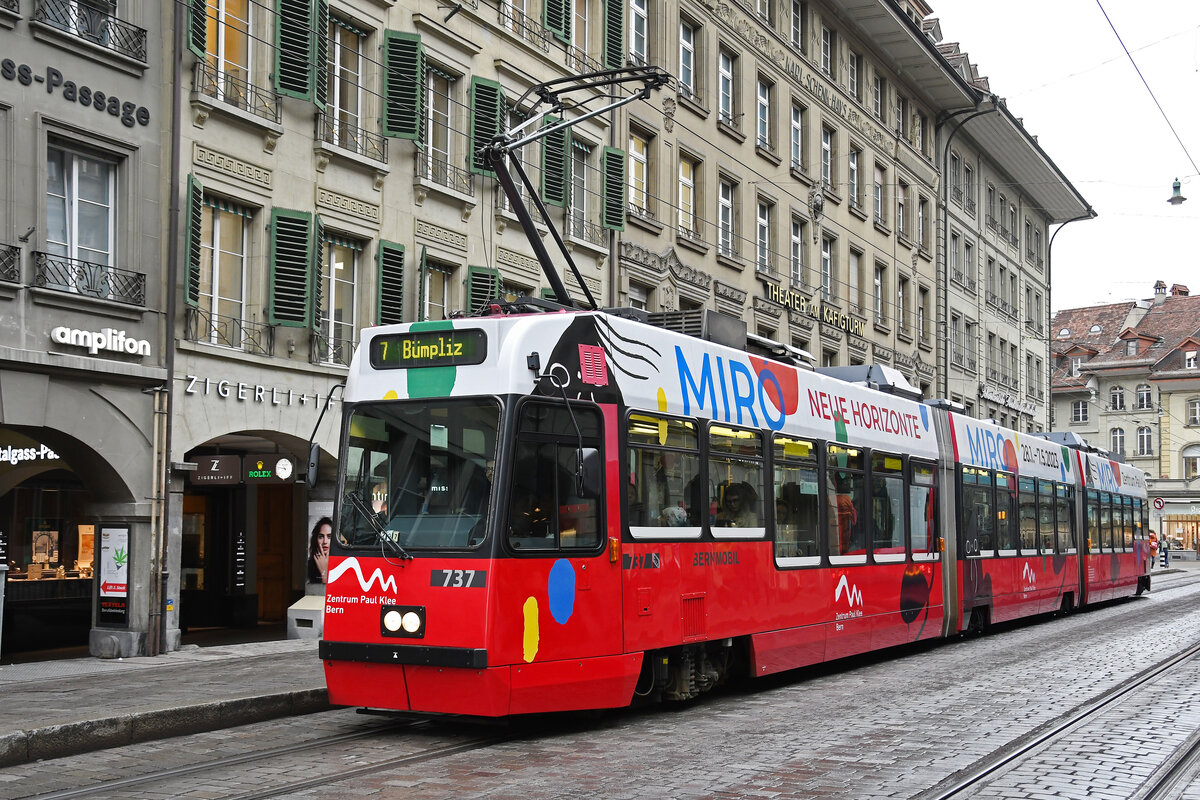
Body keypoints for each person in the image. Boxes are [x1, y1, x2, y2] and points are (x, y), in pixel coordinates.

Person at [308, 517, 333, 584]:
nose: (325, 541)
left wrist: (324, 570)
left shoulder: (341, 564)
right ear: (315, 540)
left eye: (329, 537)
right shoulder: (308, 566)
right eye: (321, 537)